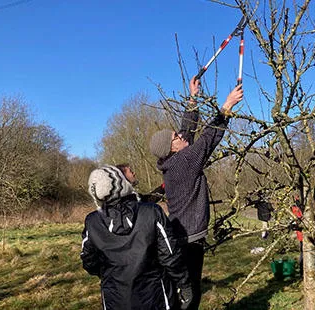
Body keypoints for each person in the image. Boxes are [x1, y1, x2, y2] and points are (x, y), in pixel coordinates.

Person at [149, 78, 243, 309]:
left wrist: (193, 97)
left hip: (181, 234)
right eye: (175, 137)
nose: (180, 136)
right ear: (172, 148)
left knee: (181, 289)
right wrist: (227, 107)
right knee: (191, 294)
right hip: (189, 239)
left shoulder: (173, 160)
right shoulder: (184, 162)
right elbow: (209, 138)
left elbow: (187, 130)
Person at [81, 165, 192, 309]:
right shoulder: (152, 212)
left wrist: (110, 274)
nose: (134, 172)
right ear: (122, 182)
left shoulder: (92, 222)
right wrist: (184, 284)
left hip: (115, 298)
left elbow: (88, 260)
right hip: (155, 295)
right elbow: (170, 256)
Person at [290, 194, 304, 276]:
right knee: (304, 252)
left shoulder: (294, 209)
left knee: (303, 252)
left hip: (301, 234)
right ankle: (303, 271)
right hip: (302, 234)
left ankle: (302, 271)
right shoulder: (297, 209)